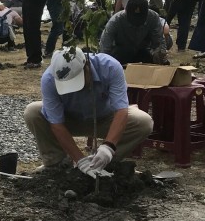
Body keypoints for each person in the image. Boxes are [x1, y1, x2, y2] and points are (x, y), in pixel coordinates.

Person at [24, 47, 153, 174]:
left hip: (105, 118)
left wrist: (108, 146)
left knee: (143, 122)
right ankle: (57, 164)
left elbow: (121, 110)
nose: (74, 90)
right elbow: (56, 124)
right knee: (33, 112)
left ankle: (105, 163)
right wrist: (80, 160)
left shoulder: (110, 67)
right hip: (69, 120)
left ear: (86, 65)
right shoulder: (49, 79)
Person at [100, 0, 167, 65]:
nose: (136, 23)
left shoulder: (153, 17)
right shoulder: (115, 21)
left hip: (143, 50)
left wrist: (160, 54)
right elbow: (105, 48)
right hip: (122, 52)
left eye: (140, 18)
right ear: (126, 10)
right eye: (133, 18)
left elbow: (159, 41)